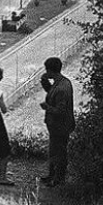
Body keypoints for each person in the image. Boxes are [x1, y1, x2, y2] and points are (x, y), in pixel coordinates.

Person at [39, 57, 75, 187]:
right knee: (54, 150)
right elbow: (52, 93)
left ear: (49, 70)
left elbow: (60, 110)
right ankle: (52, 175)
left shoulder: (62, 87)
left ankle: (58, 178)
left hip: (61, 124)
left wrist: (46, 107)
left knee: (59, 151)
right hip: (56, 124)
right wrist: (44, 82)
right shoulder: (61, 82)